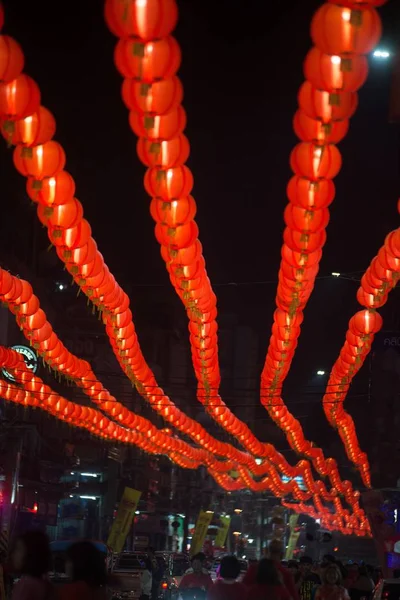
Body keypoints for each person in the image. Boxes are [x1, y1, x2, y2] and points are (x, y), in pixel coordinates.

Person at [11, 531, 53, 600]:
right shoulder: (46, 584)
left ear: (31, 554)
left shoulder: (25, 586)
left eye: (19, 549)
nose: (13, 554)